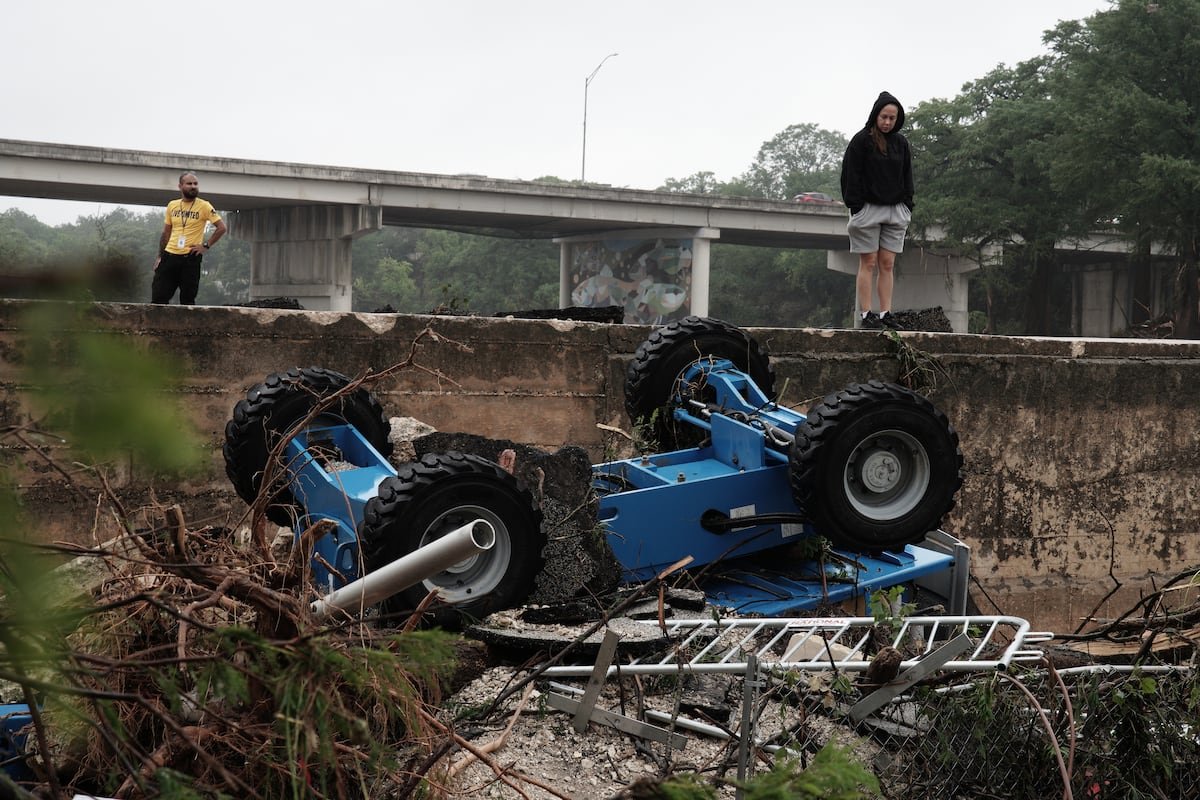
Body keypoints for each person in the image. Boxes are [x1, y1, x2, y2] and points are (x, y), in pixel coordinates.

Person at [840, 91, 914, 330]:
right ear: (875, 115)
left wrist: (907, 204)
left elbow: (907, 174)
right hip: (868, 209)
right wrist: (856, 206)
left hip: (896, 210)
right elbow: (850, 174)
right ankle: (866, 314)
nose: (887, 122)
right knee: (869, 261)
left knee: (887, 263)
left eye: (892, 118)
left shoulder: (901, 143)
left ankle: (885, 314)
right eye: (884, 117)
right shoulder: (861, 141)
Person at [152, 171, 226, 305]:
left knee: (187, 299)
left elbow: (221, 228)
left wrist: (205, 245)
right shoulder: (172, 205)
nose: (193, 186)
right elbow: (166, 232)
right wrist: (160, 256)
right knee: (159, 296)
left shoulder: (204, 206)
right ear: (180, 186)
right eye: (189, 184)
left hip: (190, 257)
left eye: (195, 184)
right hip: (170, 256)